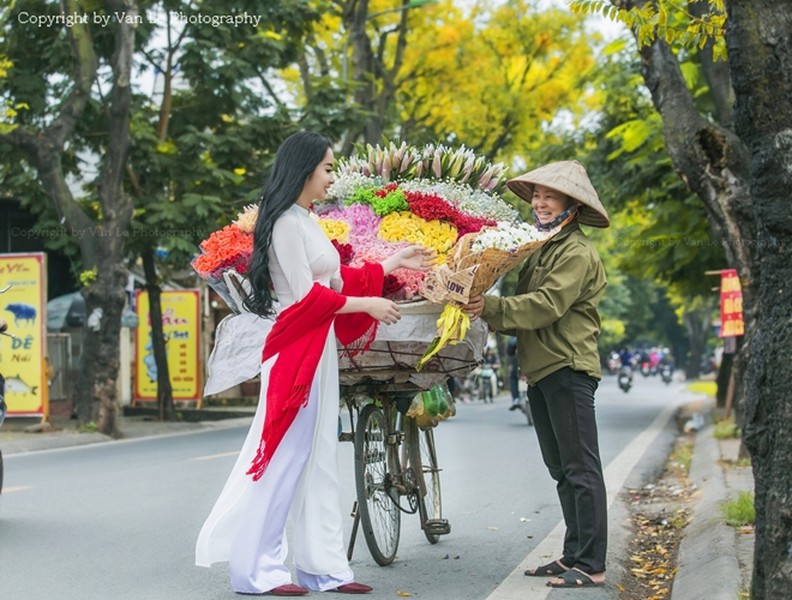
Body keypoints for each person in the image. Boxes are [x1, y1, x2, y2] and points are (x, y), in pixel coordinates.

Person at [195, 131, 434, 597]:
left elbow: (338, 276)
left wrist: (393, 261)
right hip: (293, 350)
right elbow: (305, 297)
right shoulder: (283, 221)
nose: (332, 176)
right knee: (286, 456)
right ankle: (256, 570)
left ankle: (324, 568)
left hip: (318, 347)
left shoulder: (307, 219)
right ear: (304, 169)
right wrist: (366, 304)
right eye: (327, 167)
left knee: (318, 458)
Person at [464, 160, 609, 589]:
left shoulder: (576, 252)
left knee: (581, 467)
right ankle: (573, 556)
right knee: (562, 468)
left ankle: (591, 564)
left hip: (568, 366)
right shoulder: (541, 246)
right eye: (538, 196)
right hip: (542, 369)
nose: (541, 203)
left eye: (551, 196)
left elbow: (545, 305)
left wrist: (488, 308)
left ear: (572, 206)